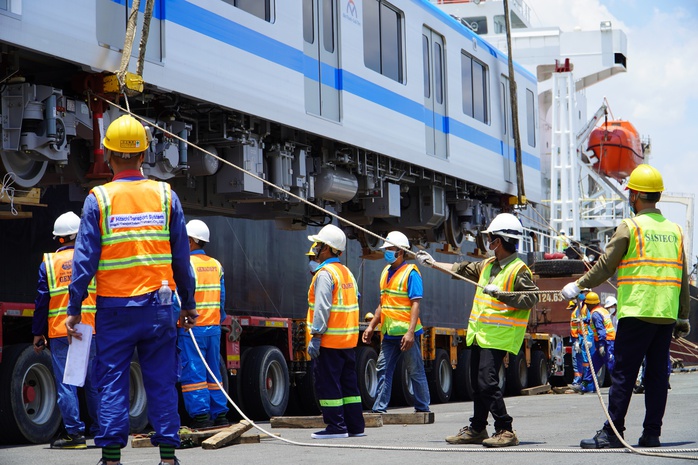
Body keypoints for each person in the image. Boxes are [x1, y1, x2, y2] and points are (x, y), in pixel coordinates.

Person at [65, 114, 197, 465]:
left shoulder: (99, 199)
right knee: (162, 381)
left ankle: (111, 459)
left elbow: (84, 262)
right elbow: (182, 258)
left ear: (107, 155)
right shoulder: (166, 195)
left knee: (111, 382)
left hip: (114, 310)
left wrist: (74, 307)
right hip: (160, 307)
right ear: (144, 155)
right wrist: (189, 304)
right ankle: (168, 458)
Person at [561, 164, 691, 449]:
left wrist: (579, 285)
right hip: (664, 315)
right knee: (658, 375)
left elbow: (606, 265)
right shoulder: (675, 231)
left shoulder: (630, 227)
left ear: (635, 196)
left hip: (637, 311)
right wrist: (682, 317)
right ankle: (652, 433)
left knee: (624, 373)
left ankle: (613, 432)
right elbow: (682, 276)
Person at [416, 213, 539, 448]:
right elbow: (459, 269)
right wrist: (431, 263)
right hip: (480, 334)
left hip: (499, 336)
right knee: (477, 382)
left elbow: (531, 298)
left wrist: (500, 294)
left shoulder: (519, 269)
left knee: (487, 382)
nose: (488, 242)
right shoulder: (488, 264)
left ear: (500, 241)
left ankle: (505, 428)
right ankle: (477, 428)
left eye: (491, 238)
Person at [32, 211, 99, 449]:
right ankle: (101, 431)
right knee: (93, 382)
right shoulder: (91, 259)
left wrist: (38, 332)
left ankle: (74, 434)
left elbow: (42, 302)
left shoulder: (49, 263)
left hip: (61, 331)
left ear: (59, 239)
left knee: (67, 383)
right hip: (90, 328)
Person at [305, 224, 365, 439]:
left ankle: (336, 427)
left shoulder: (325, 274)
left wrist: (317, 336)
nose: (316, 249)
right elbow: (355, 301)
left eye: (319, 245)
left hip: (329, 342)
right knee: (349, 386)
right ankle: (355, 426)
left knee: (328, 384)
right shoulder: (346, 272)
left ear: (328, 248)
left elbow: (322, 307)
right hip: (348, 341)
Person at [362, 231, 430, 414]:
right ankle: (379, 408)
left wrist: (409, 332)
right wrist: (371, 326)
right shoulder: (385, 272)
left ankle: (423, 408)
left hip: (407, 334)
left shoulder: (411, 273)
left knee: (414, 370)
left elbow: (416, 304)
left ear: (400, 251)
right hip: (390, 333)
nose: (386, 253)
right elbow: (382, 304)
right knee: (382, 369)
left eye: (389, 249)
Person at [175, 219, 229, 429]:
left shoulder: (186, 265)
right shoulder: (216, 265)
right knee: (213, 371)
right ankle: (221, 414)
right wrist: (217, 318)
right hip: (213, 328)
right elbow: (222, 299)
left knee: (194, 372)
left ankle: (201, 417)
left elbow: (179, 298)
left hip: (192, 329)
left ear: (190, 241)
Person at [585, 292, 616, 385]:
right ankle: (584, 385)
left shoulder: (595, 314)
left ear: (590, 304)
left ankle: (620, 386)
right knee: (593, 366)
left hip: (607, 343)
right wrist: (583, 320)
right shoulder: (601, 310)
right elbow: (596, 321)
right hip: (603, 343)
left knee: (611, 365)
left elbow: (601, 330)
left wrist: (602, 345)